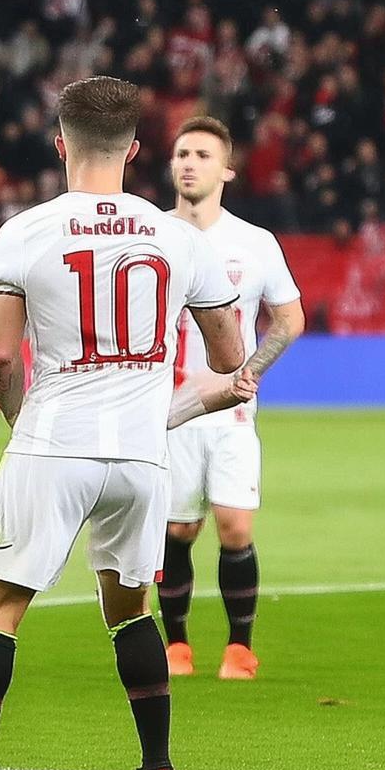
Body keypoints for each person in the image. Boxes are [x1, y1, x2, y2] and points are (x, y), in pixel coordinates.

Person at [0, 76, 256, 770]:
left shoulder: (25, 231)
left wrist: (18, 420)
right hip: (143, 458)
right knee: (129, 609)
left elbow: (2, 359)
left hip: (55, 441)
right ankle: (157, 764)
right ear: (135, 149)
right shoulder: (178, 237)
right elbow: (228, 357)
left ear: (61, 145)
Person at [159, 116, 304, 681]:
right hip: (169, 414)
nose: (189, 164)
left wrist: (252, 371)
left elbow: (289, 318)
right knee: (178, 531)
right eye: (182, 154)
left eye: (202, 155)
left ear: (227, 171)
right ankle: (177, 645)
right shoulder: (152, 236)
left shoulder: (254, 243)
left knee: (235, 528)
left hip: (233, 413)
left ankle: (239, 647)